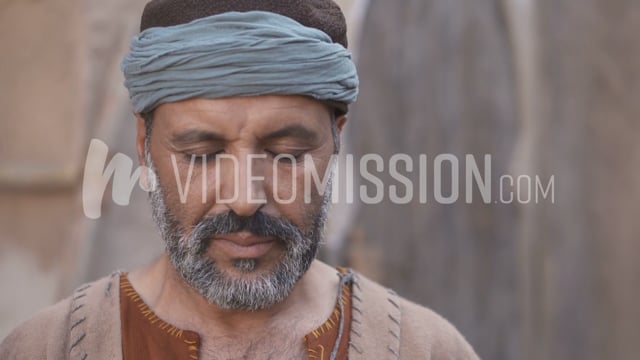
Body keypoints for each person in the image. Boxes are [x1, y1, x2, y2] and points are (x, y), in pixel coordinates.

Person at [0, 1, 479, 359]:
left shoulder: (427, 348)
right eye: (203, 156)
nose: (246, 199)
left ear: (336, 142)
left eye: (288, 155)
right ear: (144, 145)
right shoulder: (46, 348)